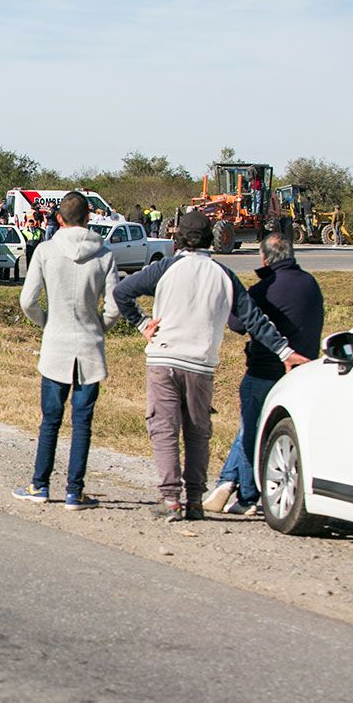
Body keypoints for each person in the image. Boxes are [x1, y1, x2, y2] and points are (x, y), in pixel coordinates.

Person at [113, 209, 310, 522]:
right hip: (201, 365)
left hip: (163, 359)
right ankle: (194, 500)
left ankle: (170, 499)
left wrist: (142, 323)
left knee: (164, 430)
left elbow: (122, 291)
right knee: (197, 433)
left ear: (178, 240)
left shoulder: (166, 267)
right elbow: (254, 320)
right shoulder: (224, 275)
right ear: (210, 240)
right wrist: (285, 352)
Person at [203, 234, 323, 515]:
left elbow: (236, 324)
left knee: (250, 431)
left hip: (264, 371)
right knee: (250, 428)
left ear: (264, 259)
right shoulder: (311, 284)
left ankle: (247, 496)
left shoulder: (265, 288)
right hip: (301, 374)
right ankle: (225, 483)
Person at [13, 192, 120, 510]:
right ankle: (75, 491)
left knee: (50, 420)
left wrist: (46, 322)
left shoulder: (46, 250)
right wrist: (99, 326)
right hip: (89, 346)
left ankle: (40, 485)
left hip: (56, 344)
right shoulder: (104, 254)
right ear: (89, 217)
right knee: (82, 422)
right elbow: (114, 307)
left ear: (59, 218)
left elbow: (27, 300)